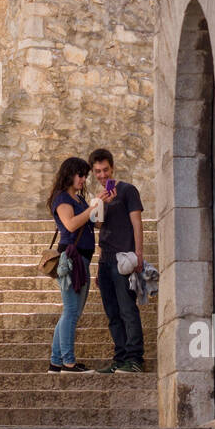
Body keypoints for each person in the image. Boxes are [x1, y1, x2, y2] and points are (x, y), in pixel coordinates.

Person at [88, 148, 145, 374]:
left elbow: (137, 223)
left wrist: (139, 253)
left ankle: (135, 359)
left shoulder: (128, 191)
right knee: (112, 313)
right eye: (97, 172)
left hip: (124, 259)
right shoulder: (99, 197)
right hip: (106, 261)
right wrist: (98, 206)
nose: (102, 175)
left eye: (105, 170)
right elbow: (101, 229)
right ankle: (120, 359)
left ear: (112, 168)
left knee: (127, 310)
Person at [45, 156, 100, 373]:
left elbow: (93, 223)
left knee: (73, 311)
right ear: (70, 174)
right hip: (71, 259)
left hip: (83, 258)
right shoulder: (61, 199)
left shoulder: (79, 199)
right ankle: (67, 362)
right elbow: (70, 224)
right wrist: (89, 210)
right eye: (81, 175)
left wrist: (103, 204)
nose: (84, 179)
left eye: (85, 176)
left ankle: (56, 362)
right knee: (70, 310)